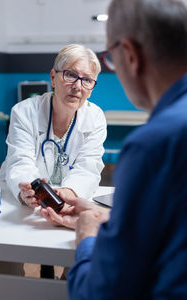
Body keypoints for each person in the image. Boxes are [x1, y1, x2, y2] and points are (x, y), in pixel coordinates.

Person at [41, 0, 187, 298]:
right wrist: (104, 215)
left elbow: (102, 292)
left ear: (131, 56)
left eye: (110, 59)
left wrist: (87, 238)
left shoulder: (154, 144)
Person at [0, 44, 107, 278]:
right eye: (71, 74)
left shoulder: (95, 118)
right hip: (18, 200)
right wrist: (27, 191)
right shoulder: (24, 111)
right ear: (53, 77)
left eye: (87, 80)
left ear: (92, 88)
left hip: (66, 201)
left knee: (68, 254)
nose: (77, 86)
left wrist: (68, 192)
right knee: (8, 263)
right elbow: (20, 161)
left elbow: (88, 167)